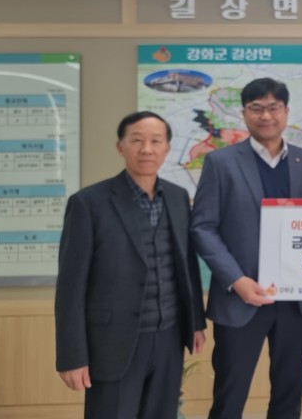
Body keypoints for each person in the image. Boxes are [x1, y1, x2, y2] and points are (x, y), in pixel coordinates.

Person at [55, 111, 206, 419]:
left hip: (169, 336)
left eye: (156, 141)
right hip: (112, 340)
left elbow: (186, 264)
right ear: (120, 147)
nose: (146, 149)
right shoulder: (88, 203)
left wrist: (196, 322)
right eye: (136, 140)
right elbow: (71, 286)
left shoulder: (178, 197)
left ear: (167, 148)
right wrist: (72, 356)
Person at [191, 77, 302, 419]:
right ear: (244, 114)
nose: (266, 116)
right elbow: (203, 227)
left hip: (296, 302)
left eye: (273, 107)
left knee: (288, 396)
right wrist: (236, 280)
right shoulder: (220, 162)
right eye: (256, 108)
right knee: (229, 397)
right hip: (241, 299)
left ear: (286, 112)